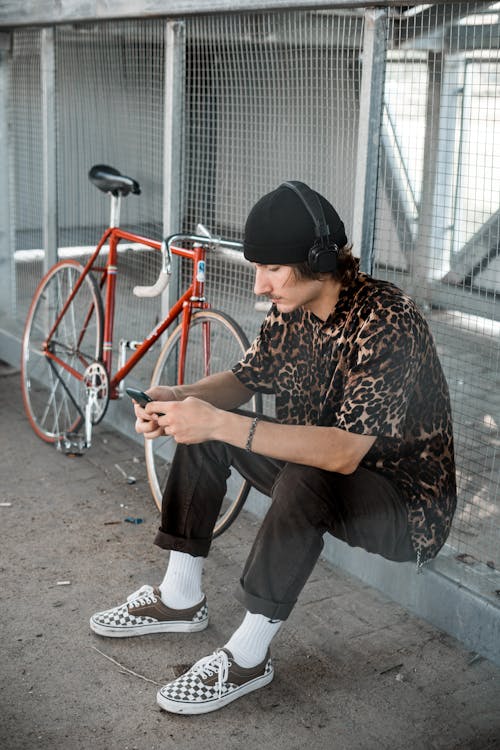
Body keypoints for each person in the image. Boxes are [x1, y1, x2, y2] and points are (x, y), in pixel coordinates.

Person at [90, 181, 457, 715]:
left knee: (297, 470)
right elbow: (245, 378)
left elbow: (341, 455)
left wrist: (217, 421)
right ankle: (180, 595)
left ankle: (247, 657)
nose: (260, 287)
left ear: (320, 260)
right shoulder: (292, 309)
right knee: (208, 430)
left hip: (406, 508)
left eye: (272, 269)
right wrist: (180, 397)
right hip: (319, 468)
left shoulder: (387, 322)